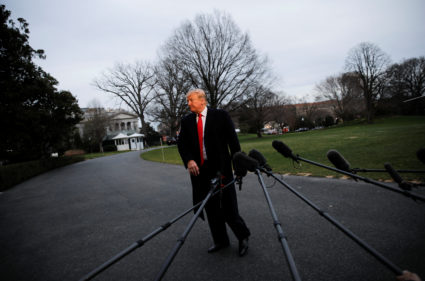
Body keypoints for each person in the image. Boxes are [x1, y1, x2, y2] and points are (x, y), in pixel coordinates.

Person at [177, 89, 250, 256]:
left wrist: (238, 167)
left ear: (202, 101)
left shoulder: (221, 116)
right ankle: (221, 241)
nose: (188, 103)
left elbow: (234, 142)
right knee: (211, 208)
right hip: (200, 172)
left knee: (229, 208)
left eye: (191, 100)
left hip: (221, 170)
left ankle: (243, 237)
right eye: (188, 100)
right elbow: (182, 144)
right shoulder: (186, 121)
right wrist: (189, 160)